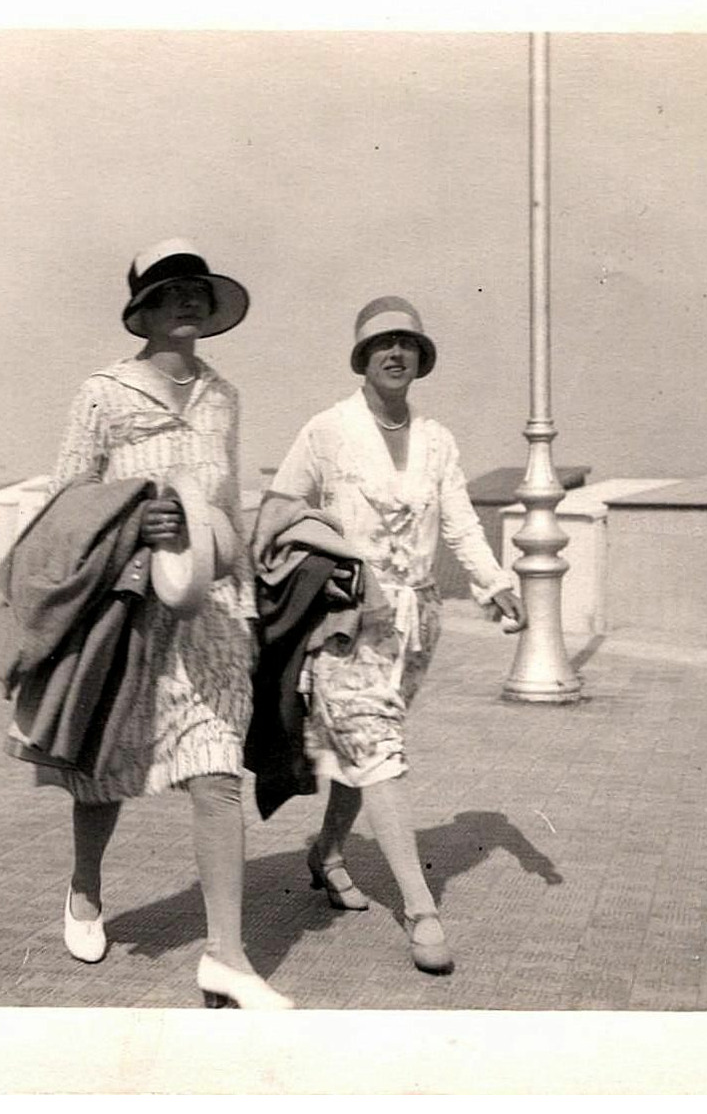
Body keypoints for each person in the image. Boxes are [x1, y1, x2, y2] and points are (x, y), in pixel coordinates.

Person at [36, 237, 291, 1009]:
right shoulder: (103, 393)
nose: (189, 300)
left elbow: (229, 504)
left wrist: (247, 600)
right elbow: (63, 503)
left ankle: (225, 956)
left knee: (217, 775)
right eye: (172, 290)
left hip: (209, 609)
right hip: (128, 609)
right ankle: (85, 889)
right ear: (144, 308)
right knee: (106, 769)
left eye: (198, 289)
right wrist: (126, 520)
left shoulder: (224, 396)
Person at [256, 295, 525, 976]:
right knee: (376, 748)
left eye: (406, 343)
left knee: (367, 746)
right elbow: (280, 510)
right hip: (347, 619)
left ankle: (327, 853)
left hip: (416, 622)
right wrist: (327, 555)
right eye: (382, 344)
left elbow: (460, 524)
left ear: (419, 357)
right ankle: (420, 909)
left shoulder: (438, 440)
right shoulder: (328, 430)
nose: (395, 353)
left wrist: (495, 584)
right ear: (363, 358)